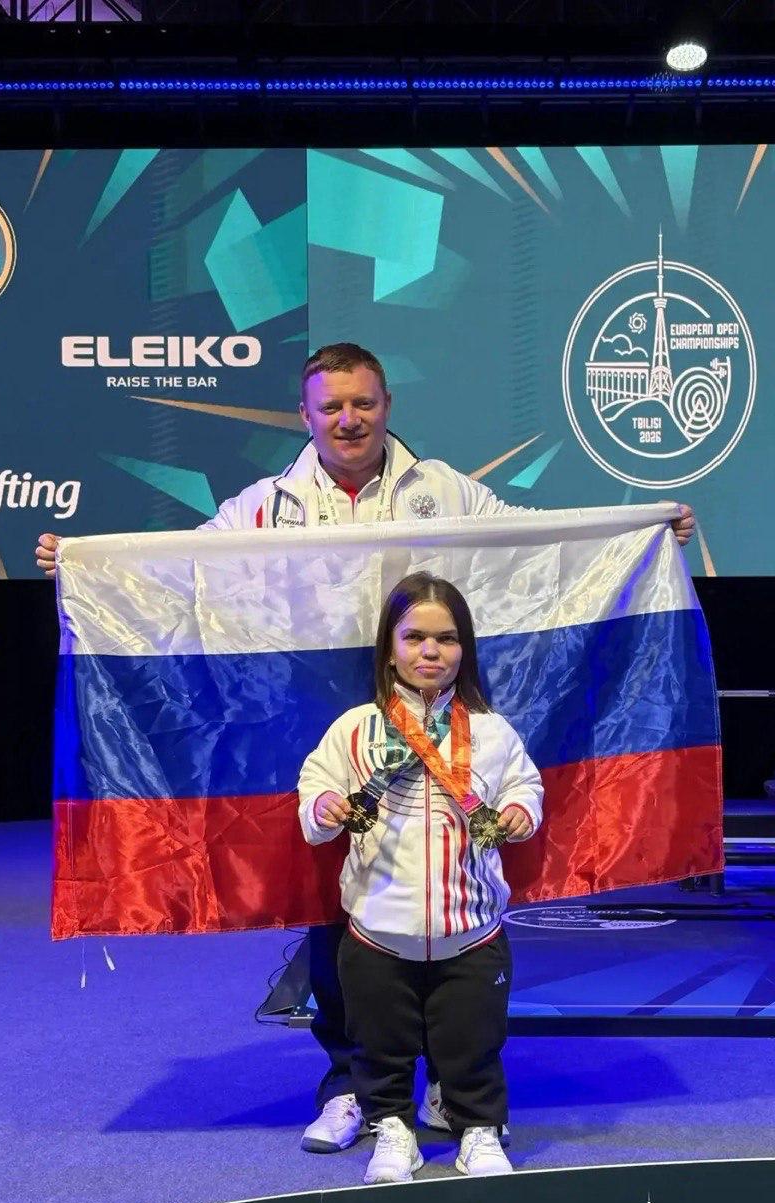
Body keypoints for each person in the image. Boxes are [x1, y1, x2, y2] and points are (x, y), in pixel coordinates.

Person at [36, 341, 697, 1155]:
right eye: (331, 406)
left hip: (434, 720)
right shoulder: (264, 508)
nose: (348, 419)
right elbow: (182, 572)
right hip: (321, 726)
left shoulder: (442, 491)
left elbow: (539, 545)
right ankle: (353, 1087)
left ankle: (456, 1087)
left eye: (364, 403)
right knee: (335, 905)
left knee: (446, 893)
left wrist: (641, 530)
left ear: (387, 406)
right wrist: (87, 565)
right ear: (304, 415)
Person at [298, 572, 542, 1183]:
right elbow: (314, 784)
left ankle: (478, 1129)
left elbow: (526, 784)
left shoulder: (490, 730)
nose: (430, 652)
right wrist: (324, 806)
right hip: (378, 928)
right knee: (380, 1044)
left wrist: (521, 810)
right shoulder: (355, 727)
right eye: (414, 638)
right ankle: (394, 1131)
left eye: (446, 639)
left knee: (473, 1040)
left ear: (465, 649)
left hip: (472, 930)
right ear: (389, 647)